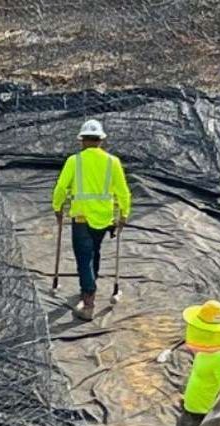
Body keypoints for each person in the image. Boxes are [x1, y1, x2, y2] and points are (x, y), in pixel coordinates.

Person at [52, 119, 132, 321]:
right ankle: (89, 286)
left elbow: (61, 188)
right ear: (100, 141)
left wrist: (57, 207)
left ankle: (88, 302)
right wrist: (123, 214)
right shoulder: (112, 162)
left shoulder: (74, 161)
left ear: (82, 141)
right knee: (94, 252)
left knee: (84, 259)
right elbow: (123, 192)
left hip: (81, 218)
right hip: (104, 219)